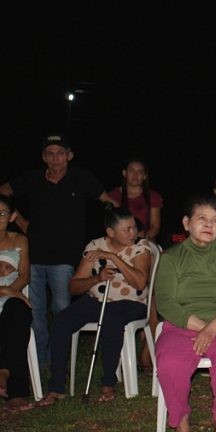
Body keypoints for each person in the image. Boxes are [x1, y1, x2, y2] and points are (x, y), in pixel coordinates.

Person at [0, 134, 117, 367]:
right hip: (34, 256)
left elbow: (107, 200)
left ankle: (59, 360)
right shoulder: (32, 178)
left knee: (62, 309)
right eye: (50, 153)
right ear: (44, 157)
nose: (55, 158)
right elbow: (4, 190)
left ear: (69, 155)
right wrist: (19, 220)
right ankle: (40, 360)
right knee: (35, 311)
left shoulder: (81, 177)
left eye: (60, 153)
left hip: (64, 258)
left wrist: (127, 226)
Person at [39, 207, 151, 406]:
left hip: (131, 303)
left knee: (112, 319)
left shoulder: (141, 247)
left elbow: (140, 282)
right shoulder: (94, 246)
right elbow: (74, 287)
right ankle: (56, 386)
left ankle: (108, 383)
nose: (133, 233)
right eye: (127, 229)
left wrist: (114, 258)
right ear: (110, 232)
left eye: (134, 227)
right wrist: (97, 278)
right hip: (96, 299)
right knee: (62, 320)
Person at [155, 196, 216, 432]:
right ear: (186, 223)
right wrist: (203, 328)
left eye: (215, 220)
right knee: (170, 362)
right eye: (202, 219)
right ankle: (181, 420)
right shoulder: (171, 257)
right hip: (181, 325)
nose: (209, 224)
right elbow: (165, 302)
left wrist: (215, 326)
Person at [0, 195, 34, 412]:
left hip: (12, 296)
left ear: (12, 216)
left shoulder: (19, 240)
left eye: (2, 213)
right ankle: (5, 372)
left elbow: (24, 275)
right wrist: (3, 290)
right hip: (7, 291)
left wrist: (10, 292)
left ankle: (14, 388)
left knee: (18, 311)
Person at [107, 157, 163, 240]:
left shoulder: (153, 196)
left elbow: (155, 226)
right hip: (118, 241)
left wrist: (142, 239)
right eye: (131, 170)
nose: (135, 175)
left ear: (144, 176)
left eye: (140, 172)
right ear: (124, 173)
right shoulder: (112, 195)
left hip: (144, 241)